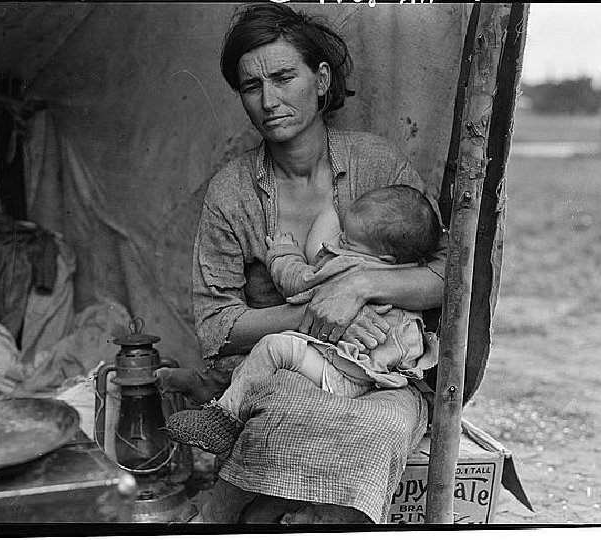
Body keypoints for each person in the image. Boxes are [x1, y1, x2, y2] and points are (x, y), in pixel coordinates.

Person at [159, 3, 447, 523]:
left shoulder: (377, 164)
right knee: (284, 416)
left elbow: (448, 278)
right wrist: (314, 315)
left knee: (380, 430)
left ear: (321, 79)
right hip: (289, 369)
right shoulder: (232, 191)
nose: (269, 100)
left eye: (284, 77)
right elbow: (216, 327)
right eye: (252, 86)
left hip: (383, 374)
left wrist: (357, 288)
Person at [166, 185, 441, 455]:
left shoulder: (349, 265)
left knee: (274, 348)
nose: (339, 241)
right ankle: (217, 391)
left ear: (384, 257)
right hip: (383, 372)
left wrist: (284, 252)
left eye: (348, 241)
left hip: (346, 374)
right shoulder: (408, 274)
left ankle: (224, 418)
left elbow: (298, 282)